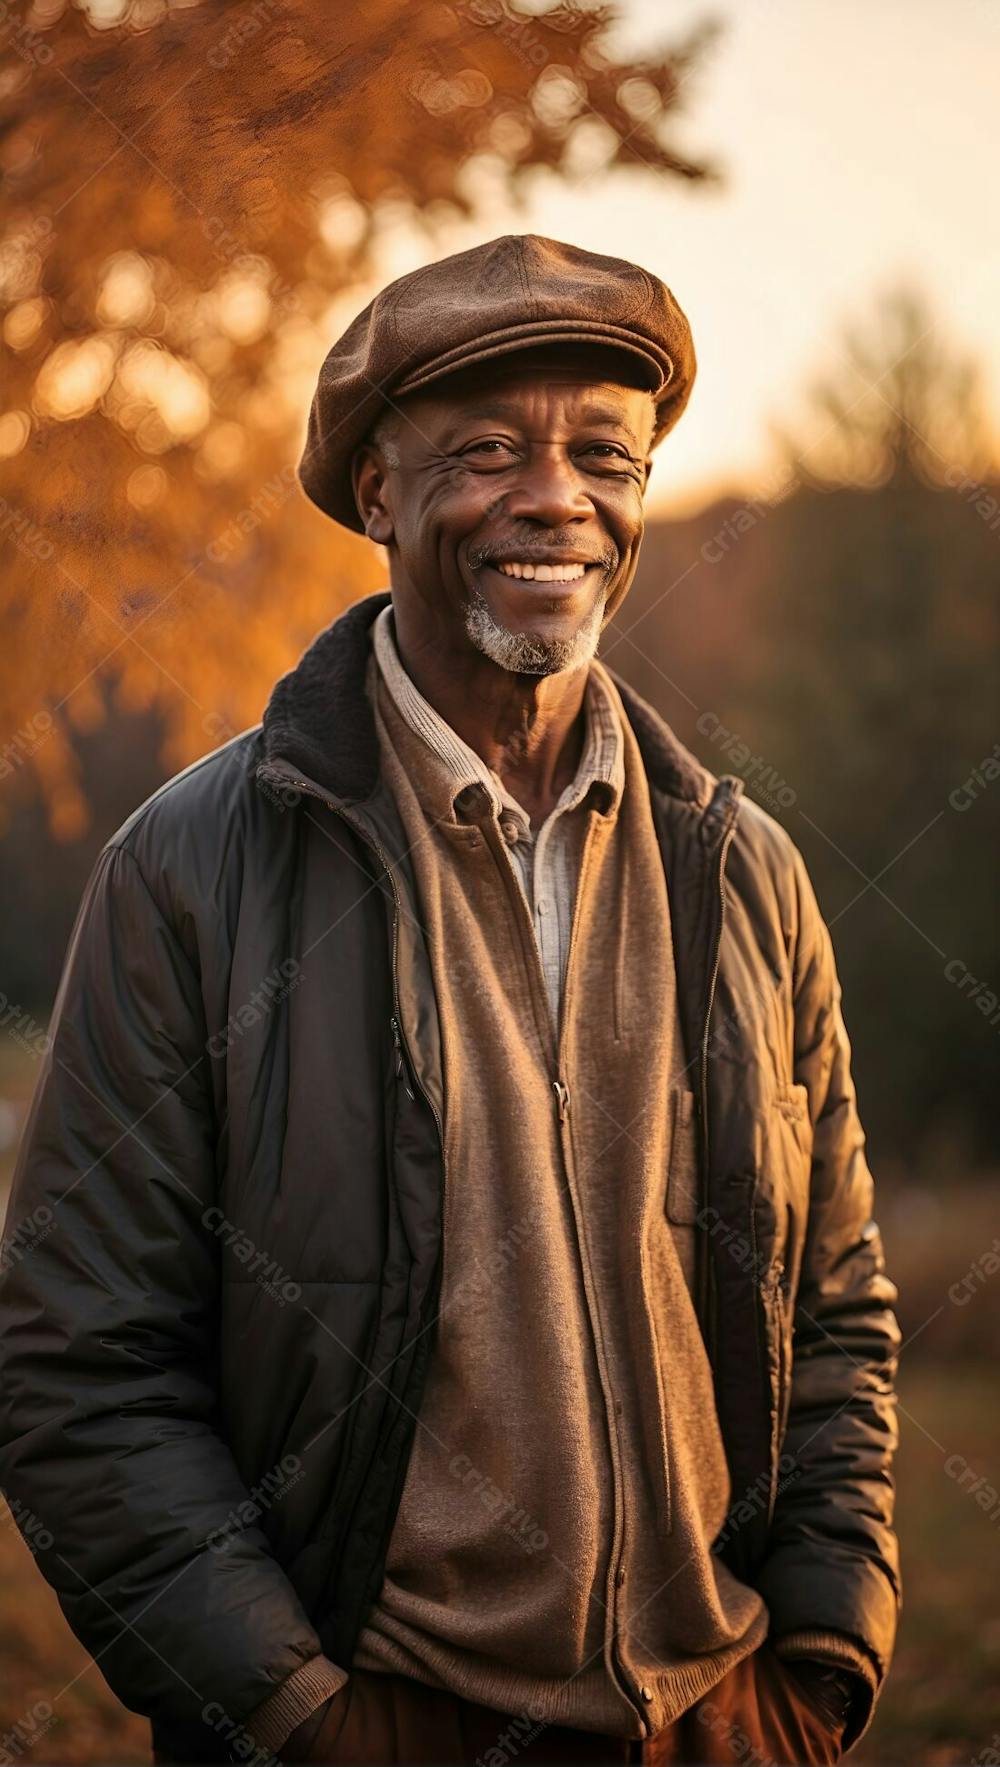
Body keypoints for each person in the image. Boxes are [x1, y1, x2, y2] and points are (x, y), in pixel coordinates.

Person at [0, 234, 900, 1766]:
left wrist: (818, 1657)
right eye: (487, 450)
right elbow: (81, 1358)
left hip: (722, 1722)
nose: (555, 494)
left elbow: (840, 1308)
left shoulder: (742, 870)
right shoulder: (193, 872)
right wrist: (300, 1713)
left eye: (602, 454)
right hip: (378, 1723)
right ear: (377, 494)